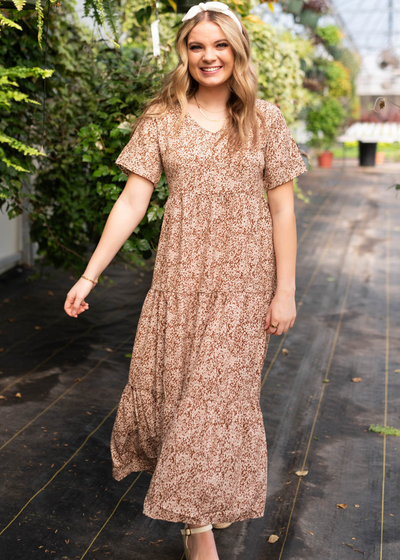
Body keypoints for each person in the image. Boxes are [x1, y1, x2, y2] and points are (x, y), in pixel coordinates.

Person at [64, 2, 307, 558]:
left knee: (219, 399)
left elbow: (283, 212)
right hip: (180, 280)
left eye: (219, 45)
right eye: (197, 46)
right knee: (182, 398)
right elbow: (132, 201)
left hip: (244, 283)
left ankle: (200, 517)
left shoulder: (264, 119)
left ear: (237, 50)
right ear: (184, 53)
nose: (208, 56)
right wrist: (90, 274)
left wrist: (285, 289)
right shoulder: (161, 119)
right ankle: (197, 528)